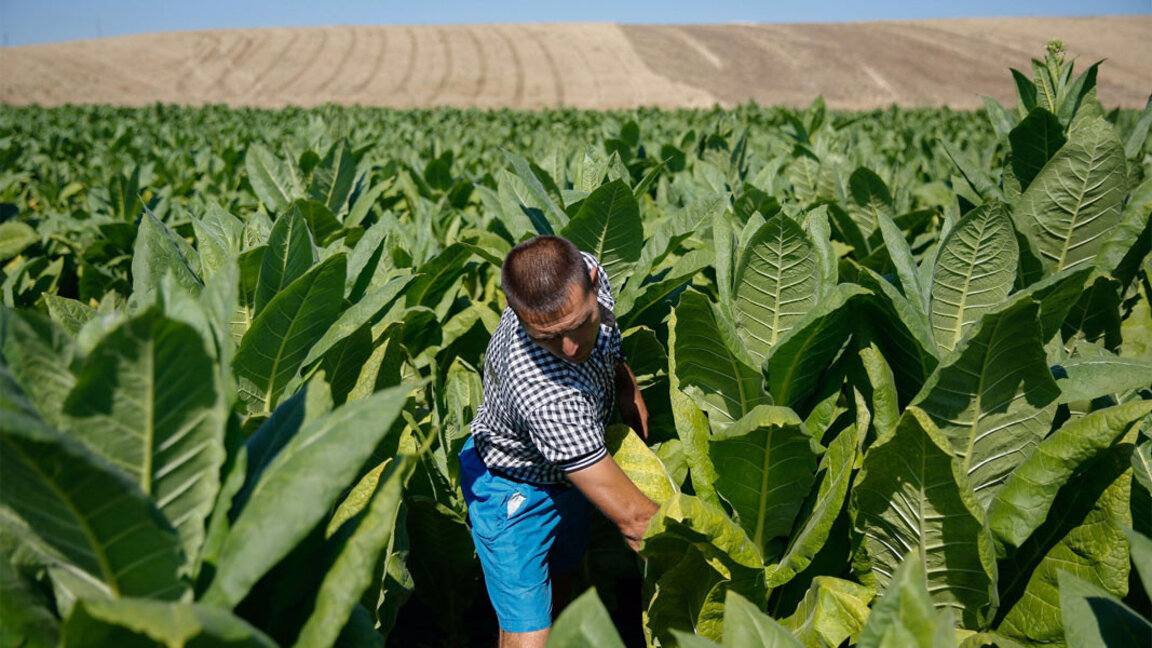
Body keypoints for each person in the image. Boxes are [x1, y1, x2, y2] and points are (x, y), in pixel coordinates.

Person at [459, 235, 659, 648]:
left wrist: (626, 389)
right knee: (530, 637)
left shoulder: (583, 274)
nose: (570, 348)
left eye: (580, 325)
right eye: (548, 338)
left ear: (592, 279)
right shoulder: (547, 398)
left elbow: (606, 337)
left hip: (566, 479)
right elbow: (637, 522)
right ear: (515, 310)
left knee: (561, 587)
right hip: (511, 491)